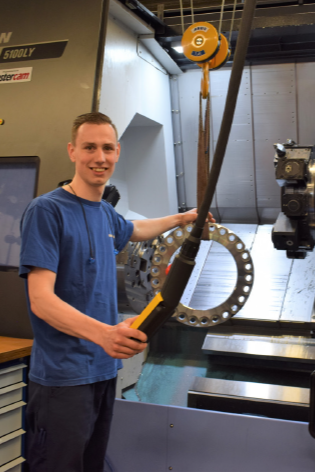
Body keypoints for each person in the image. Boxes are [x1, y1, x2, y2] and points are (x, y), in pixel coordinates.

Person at [19, 112, 213, 471]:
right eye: (89, 147)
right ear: (72, 151)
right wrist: (106, 335)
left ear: (118, 152)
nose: (100, 157)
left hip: (103, 373)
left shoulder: (104, 214)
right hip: (63, 380)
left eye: (107, 148)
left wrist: (183, 218)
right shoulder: (46, 211)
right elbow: (41, 300)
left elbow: (134, 229)